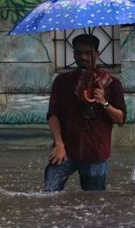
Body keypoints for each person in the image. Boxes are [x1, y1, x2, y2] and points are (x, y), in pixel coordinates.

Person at [44, 34, 126, 191]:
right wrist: (59, 144)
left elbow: (121, 119)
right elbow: (53, 114)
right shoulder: (63, 81)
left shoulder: (111, 83)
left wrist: (104, 102)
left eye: (88, 53)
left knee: (93, 202)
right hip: (65, 150)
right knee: (49, 193)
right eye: (79, 53)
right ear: (73, 54)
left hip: (95, 152)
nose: (83, 57)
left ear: (97, 54)